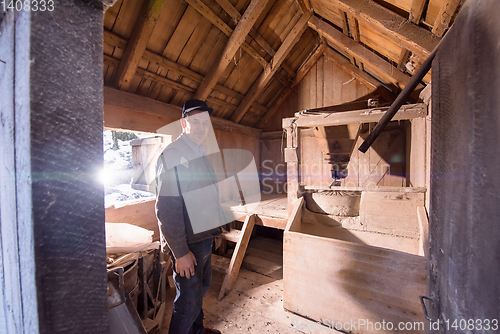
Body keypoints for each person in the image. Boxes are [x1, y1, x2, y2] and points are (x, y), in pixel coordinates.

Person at [155, 99, 224, 334]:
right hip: (188, 242)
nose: (202, 128)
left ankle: (197, 330)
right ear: (184, 123)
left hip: (202, 235)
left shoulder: (198, 151)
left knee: (200, 290)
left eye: (206, 123)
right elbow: (167, 207)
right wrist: (180, 252)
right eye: (196, 122)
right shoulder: (173, 154)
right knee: (187, 300)